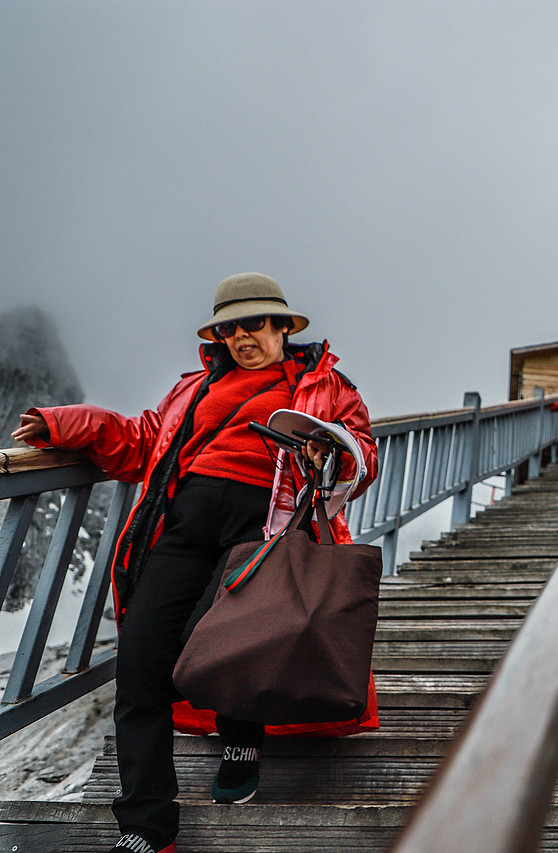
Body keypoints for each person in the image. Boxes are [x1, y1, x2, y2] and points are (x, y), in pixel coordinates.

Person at [11, 273, 378, 853]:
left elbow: (361, 454)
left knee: (219, 639)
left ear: (283, 326)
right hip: (180, 527)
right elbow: (139, 441)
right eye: (229, 327)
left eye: (254, 323)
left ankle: (240, 738)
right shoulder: (195, 388)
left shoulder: (325, 386)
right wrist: (66, 423)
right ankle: (147, 826)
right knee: (139, 661)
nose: (241, 336)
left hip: (263, 531)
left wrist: (329, 449)